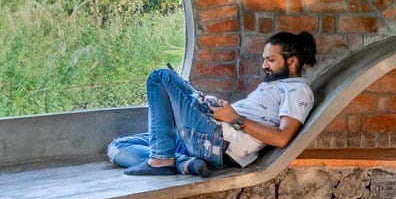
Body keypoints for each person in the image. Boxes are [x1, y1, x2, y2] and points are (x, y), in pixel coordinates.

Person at [108, 31, 318, 177]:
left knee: (160, 77)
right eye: (264, 59)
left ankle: (163, 160)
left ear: (292, 61)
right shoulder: (277, 85)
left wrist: (234, 118)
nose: (264, 65)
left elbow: (282, 138)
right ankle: (183, 163)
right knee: (118, 146)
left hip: (216, 141)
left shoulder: (298, 91)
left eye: (271, 60)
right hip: (210, 134)